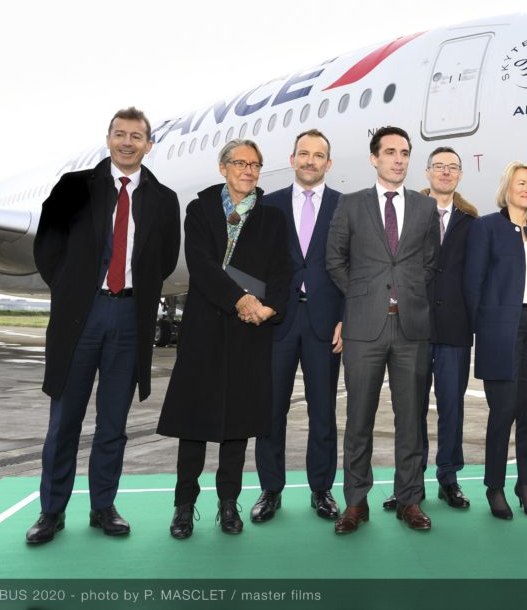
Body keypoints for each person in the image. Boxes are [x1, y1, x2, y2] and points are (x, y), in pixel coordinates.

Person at [27, 107, 180, 544]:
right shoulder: (75, 187)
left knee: (114, 424)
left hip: (130, 318)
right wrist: (72, 290)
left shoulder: (163, 199)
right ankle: (51, 512)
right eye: (120, 134)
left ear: (149, 144)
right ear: (108, 139)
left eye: (137, 136)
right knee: (65, 422)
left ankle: (102, 506)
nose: (128, 142)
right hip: (82, 315)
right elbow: (47, 246)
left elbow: (165, 259)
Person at [157, 139, 291, 538]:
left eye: (255, 165)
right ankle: (184, 507)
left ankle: (228, 505)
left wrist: (269, 308)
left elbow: (282, 273)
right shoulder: (199, 210)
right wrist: (242, 299)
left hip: (251, 332)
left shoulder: (273, 219)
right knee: (194, 425)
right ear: (223, 168)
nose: (248, 171)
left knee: (237, 427)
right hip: (205, 329)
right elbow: (200, 265)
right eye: (239, 163)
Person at [325, 126, 440, 534]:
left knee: (412, 420)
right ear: (374, 158)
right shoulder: (351, 205)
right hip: (363, 327)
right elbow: (334, 259)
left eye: (405, 152)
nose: (398, 159)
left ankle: (410, 500)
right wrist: (363, 293)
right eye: (390, 152)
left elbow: (429, 263)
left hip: (410, 326)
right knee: (359, 420)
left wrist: (404, 292)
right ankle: (356, 502)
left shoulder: (425, 209)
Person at [252, 129, 344, 524]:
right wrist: (256, 305)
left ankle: (321, 490)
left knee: (323, 412)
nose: (310, 160)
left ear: (329, 163)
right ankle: (270, 490)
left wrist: (348, 316)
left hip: (327, 323)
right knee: (270, 411)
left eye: (318, 155)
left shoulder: (345, 207)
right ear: (292, 160)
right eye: (303, 154)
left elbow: (356, 267)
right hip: (278, 320)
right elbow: (251, 262)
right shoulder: (267, 205)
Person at [382, 147, 477, 511]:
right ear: (427, 172)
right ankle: (409, 482)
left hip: (454, 329)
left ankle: (449, 479)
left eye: (453, 167)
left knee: (452, 408)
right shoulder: (405, 216)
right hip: (413, 328)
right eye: (439, 166)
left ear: (460, 175)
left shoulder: (471, 223)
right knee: (410, 410)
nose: (445, 172)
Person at [464, 161, 527, 521]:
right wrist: (481, 332)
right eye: (521, 183)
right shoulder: (486, 227)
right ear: (507, 188)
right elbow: (473, 284)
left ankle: (525, 484)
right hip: (501, 331)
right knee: (503, 411)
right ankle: (495, 486)